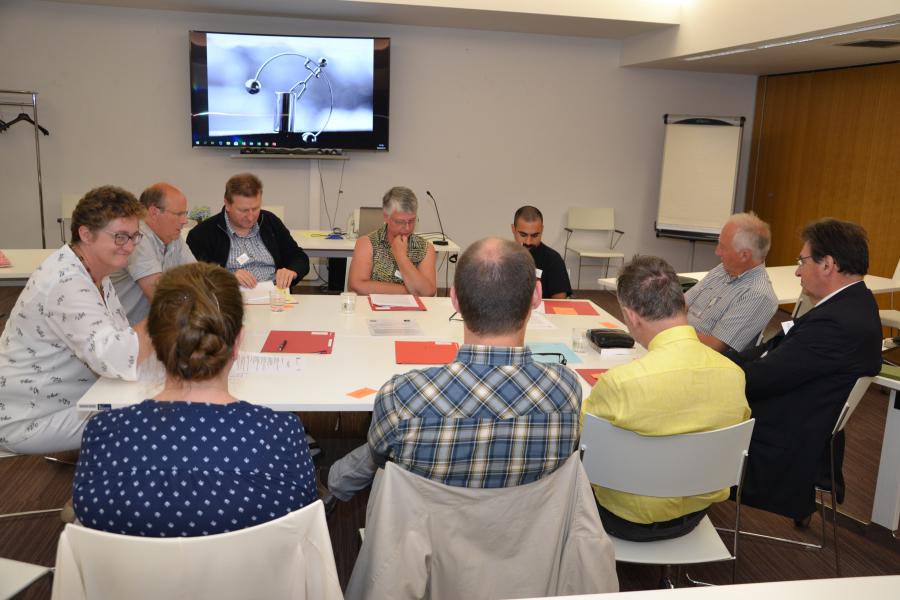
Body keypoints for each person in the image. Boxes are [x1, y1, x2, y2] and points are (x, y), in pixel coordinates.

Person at [73, 262, 318, 536]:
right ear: (238, 342)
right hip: (251, 577)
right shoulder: (281, 435)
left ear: (153, 341)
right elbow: (300, 525)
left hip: (134, 578)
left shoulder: (105, 435)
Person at [328, 238, 582, 501]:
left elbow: (379, 455)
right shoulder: (566, 390)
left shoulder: (401, 396)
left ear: (454, 299)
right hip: (528, 535)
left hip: (426, 535)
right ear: (537, 297)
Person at [581, 255, 750, 541]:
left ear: (631, 317)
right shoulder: (734, 375)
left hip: (622, 518)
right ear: (683, 304)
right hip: (696, 513)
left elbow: (582, 443)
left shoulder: (620, 383)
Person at [727, 218, 882, 523]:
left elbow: (763, 379)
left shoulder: (836, 323)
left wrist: (703, 376)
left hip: (778, 445)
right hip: (797, 421)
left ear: (828, 264)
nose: (798, 270)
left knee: (680, 422)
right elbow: (772, 352)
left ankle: (667, 521)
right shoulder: (851, 305)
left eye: (802, 261)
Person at [0, 186, 151, 454]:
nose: (129, 246)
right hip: (25, 418)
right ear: (85, 234)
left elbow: (118, 340)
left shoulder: (94, 271)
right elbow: (115, 358)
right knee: (150, 418)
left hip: (66, 400)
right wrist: (165, 317)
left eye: (133, 236)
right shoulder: (67, 281)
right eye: (120, 237)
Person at [186, 173, 309, 290]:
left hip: (275, 297)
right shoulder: (203, 234)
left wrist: (292, 271)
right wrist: (226, 278)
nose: (250, 217)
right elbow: (194, 276)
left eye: (255, 209)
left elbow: (298, 256)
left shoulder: (270, 222)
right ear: (227, 204)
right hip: (230, 299)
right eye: (243, 210)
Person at [685, 212, 778, 353]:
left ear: (744, 255)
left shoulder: (758, 295)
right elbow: (681, 304)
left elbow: (713, 347)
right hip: (677, 342)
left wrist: (671, 330)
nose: (717, 252)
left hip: (698, 358)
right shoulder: (723, 269)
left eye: (723, 247)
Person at [111, 182, 196, 325]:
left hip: (158, 326)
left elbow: (198, 278)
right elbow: (161, 297)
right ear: (154, 212)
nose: (185, 221)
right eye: (179, 214)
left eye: (185, 213)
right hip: (128, 333)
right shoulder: (136, 239)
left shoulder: (173, 237)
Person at [347, 186, 437, 297]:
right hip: (372, 312)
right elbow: (356, 286)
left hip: (412, 313)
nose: (407, 228)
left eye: (412, 221)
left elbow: (428, 292)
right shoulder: (367, 243)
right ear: (386, 217)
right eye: (400, 222)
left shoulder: (425, 249)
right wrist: (413, 291)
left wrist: (401, 257)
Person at [511, 206, 572, 299]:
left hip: (543, 313)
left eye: (535, 235)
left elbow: (559, 303)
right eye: (523, 235)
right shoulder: (501, 258)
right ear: (513, 229)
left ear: (542, 230)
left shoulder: (553, 260)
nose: (528, 241)